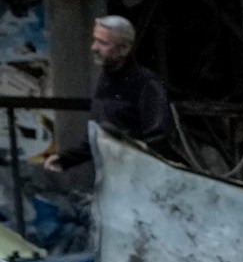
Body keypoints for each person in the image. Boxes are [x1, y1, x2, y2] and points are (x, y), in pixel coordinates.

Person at [44, 15, 170, 171]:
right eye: (95, 40)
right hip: (110, 176)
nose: (94, 47)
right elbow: (98, 135)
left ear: (124, 48)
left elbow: (158, 141)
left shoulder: (147, 84)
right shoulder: (106, 79)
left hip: (136, 178)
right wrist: (67, 159)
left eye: (102, 43)